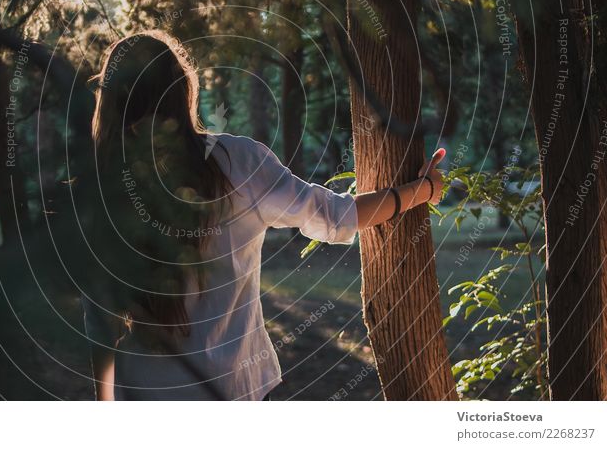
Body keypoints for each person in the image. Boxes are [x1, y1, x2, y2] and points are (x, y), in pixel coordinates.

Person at [81, 30, 446, 401]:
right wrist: (424, 190)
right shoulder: (236, 161)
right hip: (236, 387)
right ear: (182, 89)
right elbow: (335, 216)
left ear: (110, 100)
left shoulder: (99, 189)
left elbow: (101, 324)